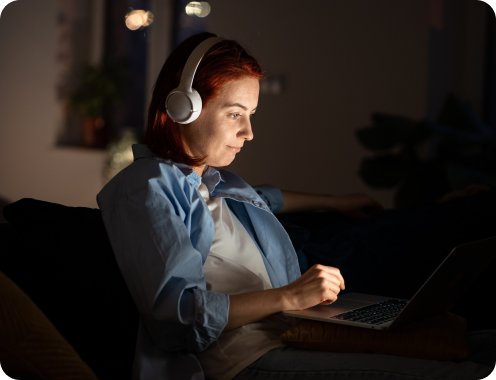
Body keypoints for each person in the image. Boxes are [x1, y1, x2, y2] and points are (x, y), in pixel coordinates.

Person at [97, 33, 496, 380]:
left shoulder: (210, 179)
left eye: (251, 115)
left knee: (482, 345)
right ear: (184, 106)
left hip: (293, 333)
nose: (248, 133)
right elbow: (177, 318)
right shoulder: (146, 188)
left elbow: (264, 197)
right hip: (246, 359)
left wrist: (339, 203)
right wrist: (290, 297)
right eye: (235, 114)